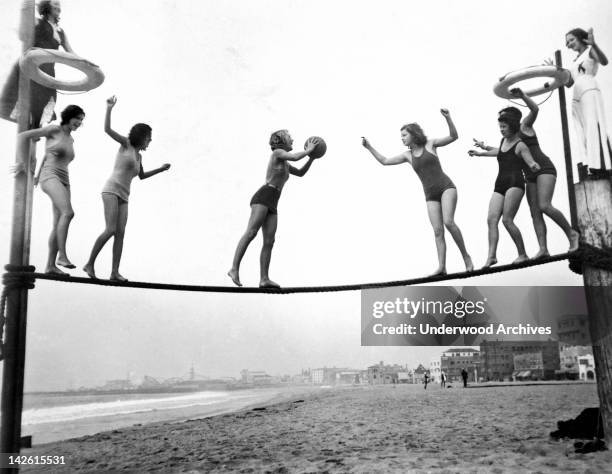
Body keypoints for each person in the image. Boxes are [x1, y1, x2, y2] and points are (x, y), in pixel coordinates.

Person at [362, 109, 473, 276]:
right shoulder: (408, 155)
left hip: (446, 187)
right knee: (437, 231)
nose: (402, 138)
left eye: (404, 135)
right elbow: (384, 161)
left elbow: (453, 136)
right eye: (401, 136)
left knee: (449, 222)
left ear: (414, 134)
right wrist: (369, 147)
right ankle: (442, 267)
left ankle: (466, 257)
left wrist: (448, 118)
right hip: (430, 195)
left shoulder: (430, 144)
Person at [474, 89, 580, 257]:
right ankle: (543, 249)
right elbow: (503, 151)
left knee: (544, 205)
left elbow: (535, 110)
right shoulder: (507, 138)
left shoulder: (525, 126)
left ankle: (572, 234)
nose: (501, 123)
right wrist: (484, 148)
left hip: (543, 168)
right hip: (529, 175)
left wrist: (522, 95)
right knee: (534, 211)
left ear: (512, 119)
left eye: (503, 118)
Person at [83, 96, 170, 281]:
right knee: (110, 229)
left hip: (124, 195)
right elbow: (107, 130)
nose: (150, 142)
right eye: (149, 139)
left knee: (120, 234)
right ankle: (89, 263)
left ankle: (114, 272)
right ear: (142, 136)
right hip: (111, 190)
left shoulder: (139, 157)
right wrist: (109, 108)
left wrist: (161, 169)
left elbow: (142, 176)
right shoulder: (126, 144)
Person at [228, 131, 320, 288]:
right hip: (263, 196)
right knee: (251, 232)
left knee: (269, 241)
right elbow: (296, 157)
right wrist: (309, 150)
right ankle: (234, 268)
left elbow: (301, 173)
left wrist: (311, 158)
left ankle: (264, 279)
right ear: (282, 141)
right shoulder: (278, 153)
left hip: (273, 202)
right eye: (289, 138)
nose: (292, 140)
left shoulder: (285, 163)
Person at [0, 0, 90, 128]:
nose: (58, 6)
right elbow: (22, 35)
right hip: (31, 66)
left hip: (47, 71)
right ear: (47, 6)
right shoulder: (37, 21)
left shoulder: (60, 31)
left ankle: (34, 130)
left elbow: (71, 53)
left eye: (59, 4)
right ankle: (27, 129)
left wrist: (85, 63)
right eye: (55, 3)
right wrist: (24, 12)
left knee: (43, 104)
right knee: (24, 101)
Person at [468, 110, 541, 267]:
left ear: (512, 127)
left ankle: (522, 254)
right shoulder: (503, 141)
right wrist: (481, 152)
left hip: (515, 183)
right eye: (500, 126)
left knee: (507, 220)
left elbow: (530, 161)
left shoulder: (520, 144)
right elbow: (500, 152)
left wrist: (534, 165)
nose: (501, 129)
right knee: (491, 219)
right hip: (500, 182)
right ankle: (491, 257)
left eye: (504, 127)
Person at [18, 104, 84, 274]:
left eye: (81, 120)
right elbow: (23, 136)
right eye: (77, 118)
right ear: (69, 116)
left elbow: (48, 154)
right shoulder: (54, 129)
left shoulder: (71, 139)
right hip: (50, 176)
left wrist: (36, 174)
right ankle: (62, 255)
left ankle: (50, 265)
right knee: (68, 213)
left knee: (58, 223)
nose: (79, 122)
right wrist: (22, 164)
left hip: (64, 179)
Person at [565, 27, 611, 177]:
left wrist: (594, 44)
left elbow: (604, 61)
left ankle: (600, 164)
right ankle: (589, 164)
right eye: (567, 42)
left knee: (593, 126)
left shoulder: (590, 52)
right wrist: (555, 70)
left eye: (571, 40)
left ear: (581, 38)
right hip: (577, 96)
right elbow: (568, 83)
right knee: (582, 131)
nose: (569, 44)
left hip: (589, 91)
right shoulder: (574, 61)